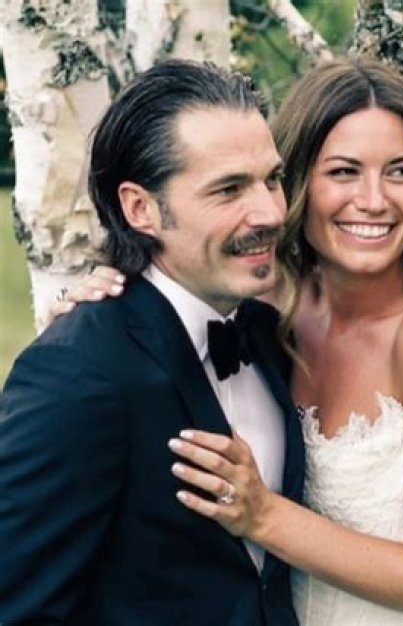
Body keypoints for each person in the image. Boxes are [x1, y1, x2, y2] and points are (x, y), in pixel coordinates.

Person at [57, 59, 403, 625]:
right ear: (295, 183)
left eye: (401, 172)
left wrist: (264, 516)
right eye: (344, 172)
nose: (375, 199)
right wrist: (106, 306)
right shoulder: (271, 311)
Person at [0, 60, 304, 625]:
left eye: (272, 179)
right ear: (141, 208)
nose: (269, 212)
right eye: (229, 189)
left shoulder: (271, 335)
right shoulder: (77, 372)